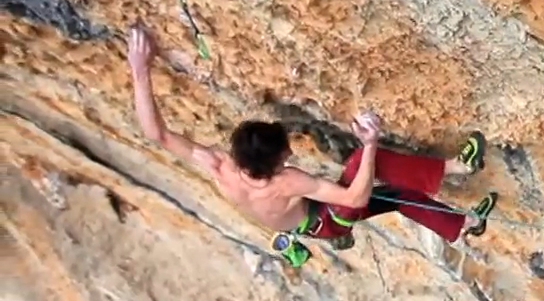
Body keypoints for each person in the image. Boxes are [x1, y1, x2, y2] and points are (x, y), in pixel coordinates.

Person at [125, 23, 498, 256]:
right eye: (285, 153)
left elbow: (155, 133)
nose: (290, 151)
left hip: (301, 226)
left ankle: (461, 227)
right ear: (275, 166)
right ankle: (458, 167)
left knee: (397, 198)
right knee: (363, 169)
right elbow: (355, 197)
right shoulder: (288, 182)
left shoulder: (219, 167)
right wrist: (369, 144)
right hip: (326, 219)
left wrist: (140, 70)